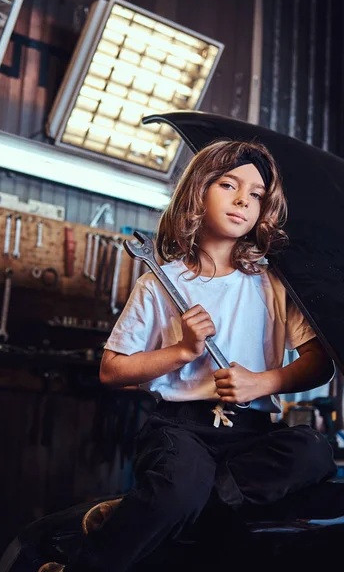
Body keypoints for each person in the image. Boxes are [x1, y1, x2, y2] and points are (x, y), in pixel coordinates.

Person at [39, 139, 336, 572]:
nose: (242, 200)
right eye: (228, 185)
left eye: (256, 194)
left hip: (252, 435)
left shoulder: (274, 286)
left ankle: (148, 509)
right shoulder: (159, 283)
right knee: (182, 481)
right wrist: (183, 351)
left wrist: (263, 382)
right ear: (197, 191)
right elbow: (112, 370)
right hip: (181, 430)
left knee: (314, 452)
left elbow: (318, 364)